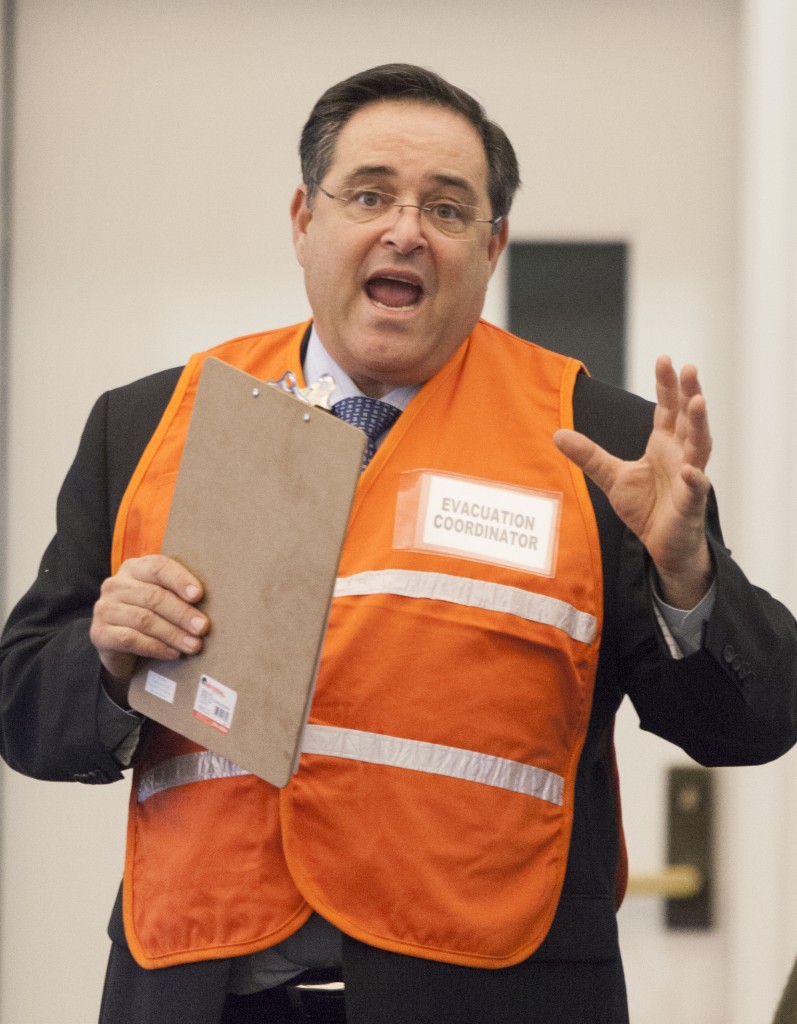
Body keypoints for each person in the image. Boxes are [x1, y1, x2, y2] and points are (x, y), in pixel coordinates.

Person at [1, 63, 796, 1024]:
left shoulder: (601, 441)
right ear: (304, 218)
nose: (406, 230)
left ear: (492, 245)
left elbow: (748, 726)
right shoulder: (150, 422)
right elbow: (24, 711)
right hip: (197, 987)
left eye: (449, 210)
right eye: (369, 195)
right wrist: (105, 657)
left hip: (492, 992)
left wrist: (687, 578)